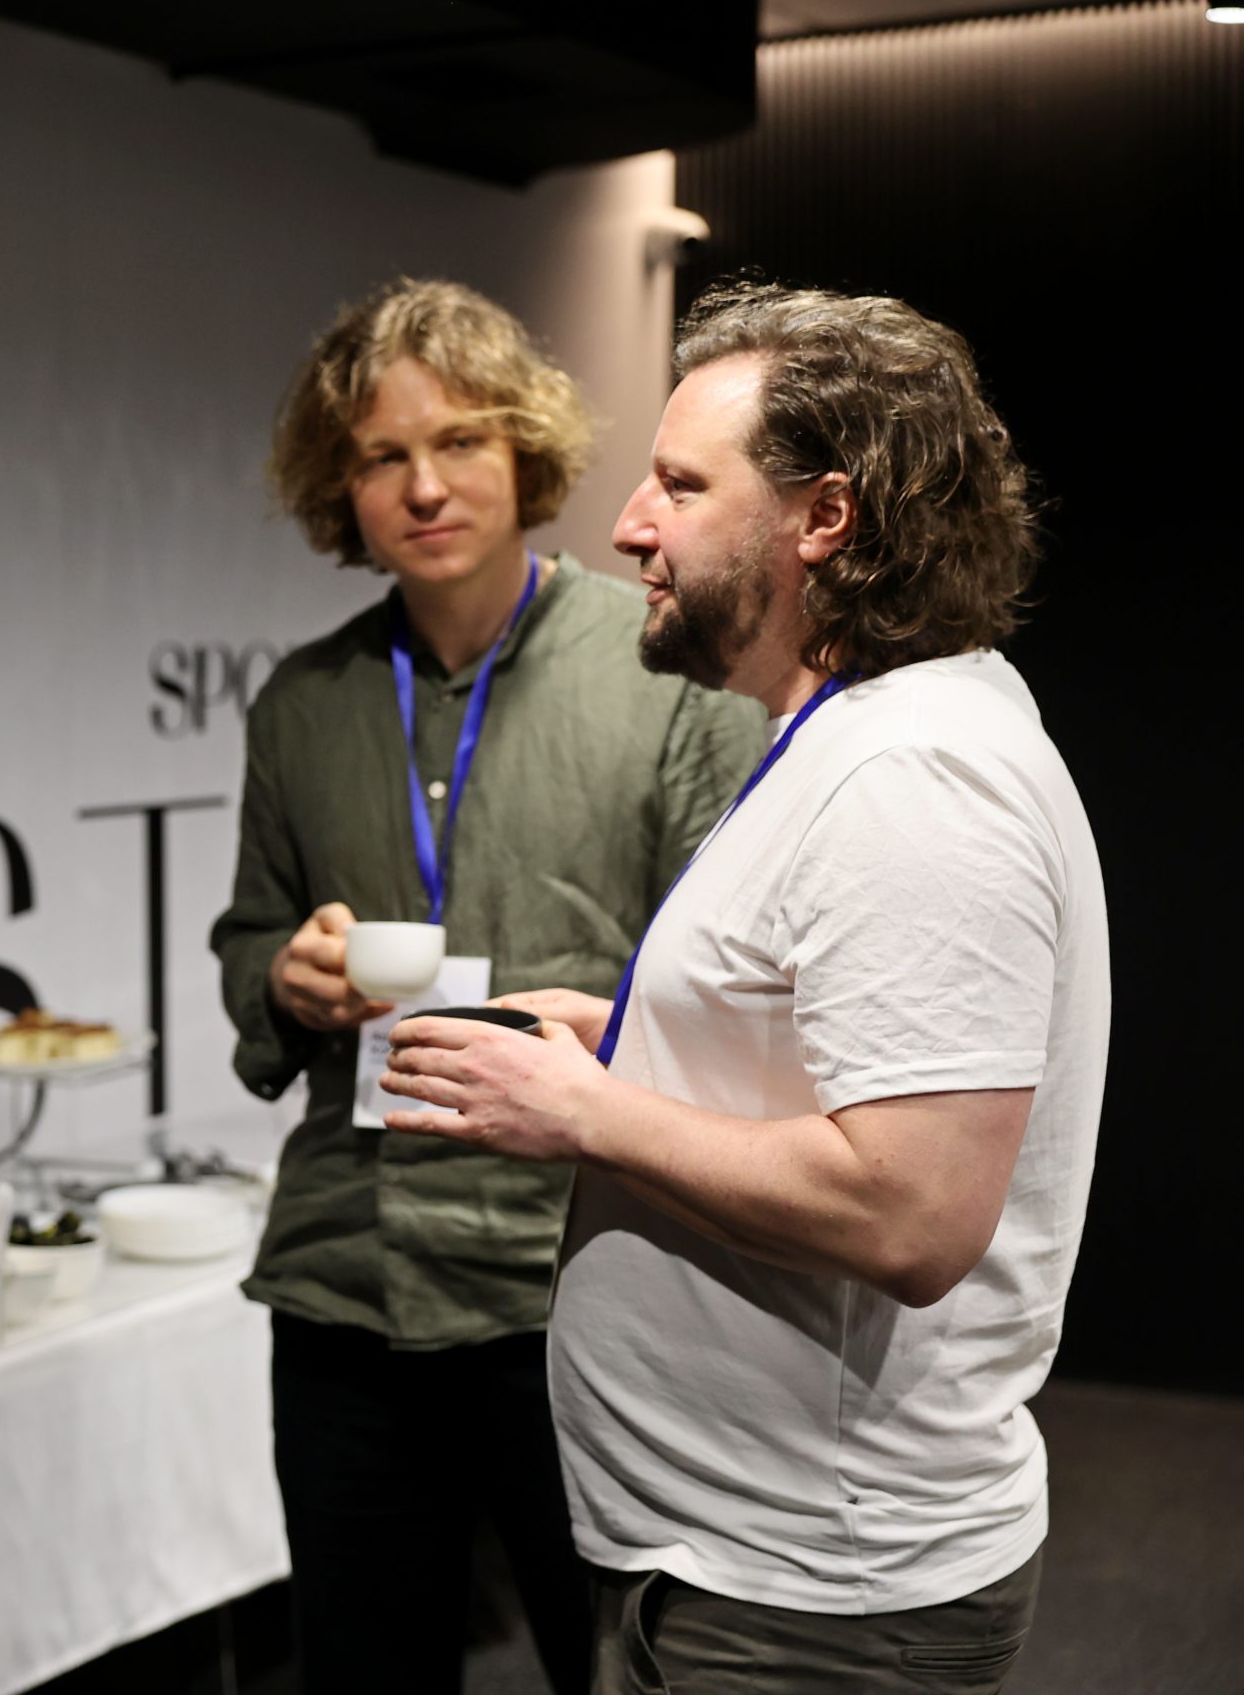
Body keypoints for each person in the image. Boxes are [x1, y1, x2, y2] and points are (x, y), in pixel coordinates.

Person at [383, 282, 1101, 1692]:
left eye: (679, 484)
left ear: (822, 518)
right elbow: (831, 1057)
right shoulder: (857, 734)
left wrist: (586, 1112)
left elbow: (913, 1211)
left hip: (808, 1597)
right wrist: (632, 1040)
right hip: (747, 1567)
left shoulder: (912, 776)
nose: (626, 525)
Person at [209, 278, 762, 1694]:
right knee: (361, 1670)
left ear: (524, 449)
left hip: (573, 1275)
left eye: (458, 440)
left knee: (617, 1668)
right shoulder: (304, 702)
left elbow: (732, 986)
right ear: (340, 488)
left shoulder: (662, 673)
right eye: (381, 456)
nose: (423, 485)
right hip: (349, 1279)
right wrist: (285, 976)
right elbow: (246, 938)